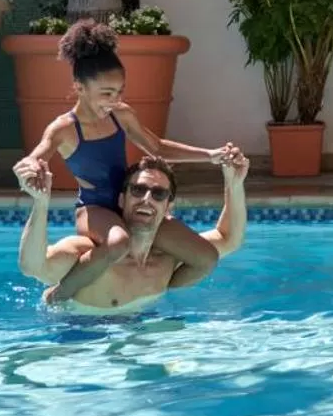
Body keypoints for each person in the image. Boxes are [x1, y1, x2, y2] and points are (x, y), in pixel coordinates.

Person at [15, 19, 237, 306]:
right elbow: (39, 153)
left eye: (119, 91)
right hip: (95, 208)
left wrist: (210, 155)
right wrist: (30, 166)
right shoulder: (65, 128)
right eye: (106, 93)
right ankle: (58, 295)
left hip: (129, 201)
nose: (114, 100)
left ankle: (151, 291)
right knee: (118, 243)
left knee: (206, 255)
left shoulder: (121, 115)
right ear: (80, 87)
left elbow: (157, 146)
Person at [15, 150, 248, 311]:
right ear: (121, 199)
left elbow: (229, 239)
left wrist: (234, 183)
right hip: (78, 338)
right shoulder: (91, 255)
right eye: (138, 190)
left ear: (168, 207)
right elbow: (32, 266)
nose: (146, 199)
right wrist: (41, 202)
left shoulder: (168, 260)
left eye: (158, 194)